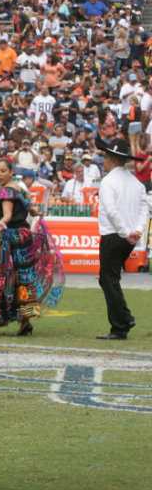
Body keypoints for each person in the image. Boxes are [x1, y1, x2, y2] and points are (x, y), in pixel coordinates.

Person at [0, 159, 65, 336]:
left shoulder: (6, 192)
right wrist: (35, 212)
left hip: (9, 238)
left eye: (3, 170)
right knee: (23, 281)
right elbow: (32, 209)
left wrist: (1, 223)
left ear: (11, 172)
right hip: (23, 237)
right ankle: (25, 322)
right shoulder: (20, 190)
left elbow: (7, 215)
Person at [94, 138, 149, 340]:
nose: (103, 162)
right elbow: (144, 208)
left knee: (109, 280)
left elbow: (111, 211)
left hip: (113, 235)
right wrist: (136, 230)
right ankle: (124, 317)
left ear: (112, 159)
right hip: (127, 237)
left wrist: (127, 232)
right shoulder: (136, 183)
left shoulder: (108, 181)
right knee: (108, 279)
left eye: (105, 157)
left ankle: (120, 325)